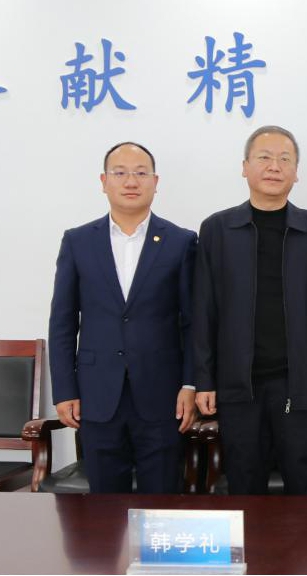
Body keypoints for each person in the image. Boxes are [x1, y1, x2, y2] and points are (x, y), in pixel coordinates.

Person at [193, 125, 307, 495]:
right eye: (264, 157)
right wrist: (204, 379)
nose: (274, 166)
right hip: (238, 386)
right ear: (245, 167)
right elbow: (203, 311)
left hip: (301, 385)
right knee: (244, 485)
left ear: (296, 172)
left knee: (305, 485)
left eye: (284, 159)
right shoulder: (217, 230)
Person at [49, 142, 197, 493]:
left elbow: (193, 322)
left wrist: (190, 384)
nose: (131, 181)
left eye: (141, 173)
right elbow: (63, 322)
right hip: (97, 393)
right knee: (103, 508)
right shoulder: (78, 241)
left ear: (155, 182)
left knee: (161, 501)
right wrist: (64, 390)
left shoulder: (181, 241)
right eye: (120, 173)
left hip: (162, 394)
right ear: (104, 181)